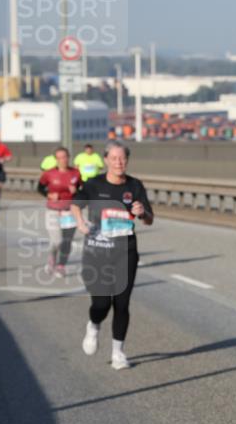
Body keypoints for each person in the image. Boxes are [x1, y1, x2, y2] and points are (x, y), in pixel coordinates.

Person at [71, 142, 153, 370]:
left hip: (125, 252)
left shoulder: (135, 186)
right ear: (106, 160)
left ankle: (118, 352)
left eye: (123, 158)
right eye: (114, 158)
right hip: (97, 251)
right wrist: (80, 222)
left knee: (122, 303)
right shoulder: (94, 184)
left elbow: (149, 218)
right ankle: (94, 325)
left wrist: (142, 212)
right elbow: (75, 204)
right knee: (101, 302)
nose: (119, 162)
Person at [37, 146, 83, 277]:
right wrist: (50, 195)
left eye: (65, 157)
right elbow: (40, 188)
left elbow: (83, 190)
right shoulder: (49, 174)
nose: (63, 160)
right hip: (54, 211)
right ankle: (52, 258)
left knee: (67, 241)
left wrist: (76, 192)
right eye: (60, 157)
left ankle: (61, 265)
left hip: (70, 212)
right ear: (56, 159)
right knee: (56, 241)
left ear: (69, 157)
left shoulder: (76, 173)